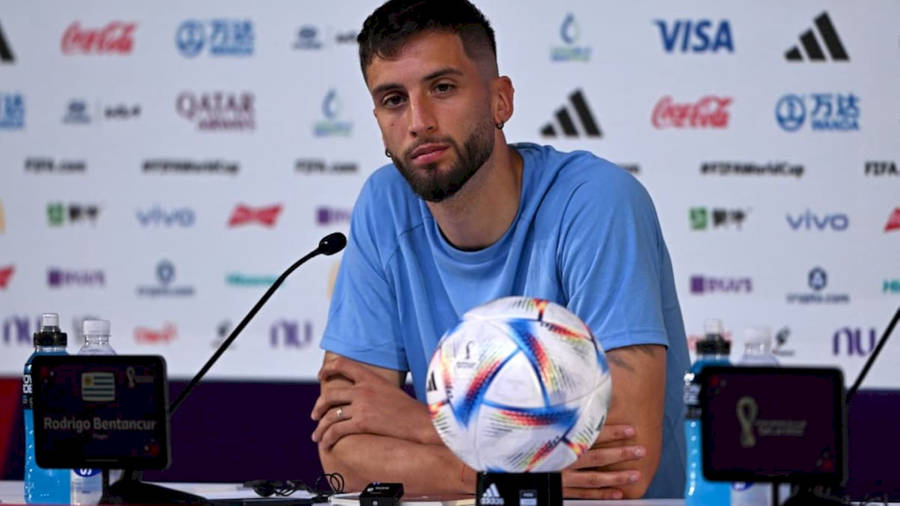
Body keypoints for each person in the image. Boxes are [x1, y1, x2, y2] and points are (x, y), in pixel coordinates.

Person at [311, 0, 690, 499]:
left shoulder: (597, 202)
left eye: (442, 88)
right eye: (393, 100)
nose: (418, 121)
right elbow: (343, 454)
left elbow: (621, 465)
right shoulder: (384, 206)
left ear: (500, 101)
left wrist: (423, 424)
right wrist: (513, 473)